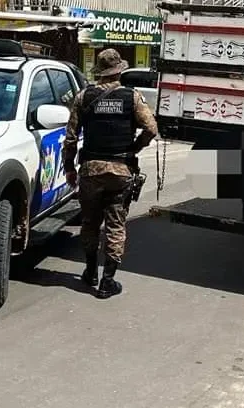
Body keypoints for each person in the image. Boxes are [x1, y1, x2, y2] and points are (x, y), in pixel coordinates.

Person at [62, 49, 158, 299]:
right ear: (119, 71)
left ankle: (90, 271)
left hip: (91, 170)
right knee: (115, 224)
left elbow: (70, 138)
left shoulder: (83, 97)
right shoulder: (132, 97)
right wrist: (134, 148)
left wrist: (69, 168)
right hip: (120, 170)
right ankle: (107, 281)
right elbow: (151, 128)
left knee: (90, 221)